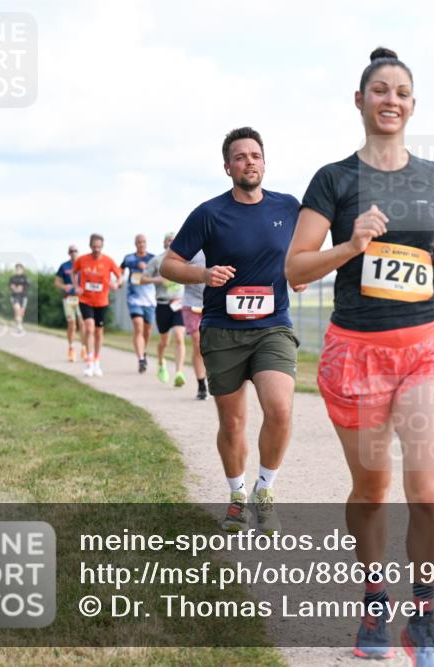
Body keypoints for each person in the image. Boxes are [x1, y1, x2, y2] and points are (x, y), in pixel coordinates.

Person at [285, 47, 434, 665]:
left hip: (427, 347)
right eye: (379, 90)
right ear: (360, 100)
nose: (390, 100)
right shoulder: (334, 180)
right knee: (372, 488)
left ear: (412, 106)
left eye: (401, 92)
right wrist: (351, 243)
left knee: (428, 488)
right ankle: (373, 600)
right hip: (358, 355)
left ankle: (421, 618)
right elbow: (295, 270)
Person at [161, 126, 306, 536]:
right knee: (233, 422)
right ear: (228, 167)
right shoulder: (209, 213)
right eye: (240, 157)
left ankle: (264, 491)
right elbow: (169, 265)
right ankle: (237, 497)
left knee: (279, 409)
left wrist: (299, 273)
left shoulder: (288, 207)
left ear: (265, 161)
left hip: (272, 326)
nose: (249, 162)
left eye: (255, 155)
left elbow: (302, 252)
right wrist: (203, 273)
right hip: (223, 329)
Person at [72, 234, 122, 377]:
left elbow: (119, 276)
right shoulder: (82, 260)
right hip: (85, 300)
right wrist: (76, 286)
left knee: (99, 332)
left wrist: (116, 284)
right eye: (94, 247)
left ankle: (96, 361)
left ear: (102, 246)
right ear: (90, 246)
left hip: (101, 301)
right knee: (89, 328)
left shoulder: (108, 261)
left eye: (99, 247)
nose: (96, 250)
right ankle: (89, 361)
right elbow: (74, 273)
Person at [142, 232, 186, 387]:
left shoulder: (184, 259)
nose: (171, 242)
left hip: (179, 304)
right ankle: (161, 362)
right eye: (168, 240)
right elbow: (142, 278)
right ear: (164, 242)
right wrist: (158, 279)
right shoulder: (156, 260)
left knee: (180, 337)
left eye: (174, 240)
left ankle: (179, 372)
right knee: (164, 341)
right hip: (162, 304)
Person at [121, 234, 156, 373]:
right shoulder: (129, 258)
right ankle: (141, 358)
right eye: (139, 242)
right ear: (135, 244)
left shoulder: (153, 259)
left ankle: (143, 350)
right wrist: (119, 279)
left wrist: (147, 269)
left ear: (146, 243)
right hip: (134, 298)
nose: (141, 244)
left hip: (149, 299)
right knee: (138, 327)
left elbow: (161, 273)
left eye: (143, 242)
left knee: (147, 330)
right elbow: (121, 268)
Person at [180, 250, 210, 400]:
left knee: (214, 344)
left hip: (212, 303)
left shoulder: (218, 245)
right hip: (192, 304)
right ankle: (201, 385)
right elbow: (176, 271)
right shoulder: (190, 250)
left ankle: (214, 378)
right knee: (198, 344)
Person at [54, 245, 87, 362]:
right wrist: (64, 286)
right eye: (71, 251)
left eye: (75, 251)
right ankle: (71, 348)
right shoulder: (64, 266)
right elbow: (56, 282)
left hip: (81, 298)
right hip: (68, 298)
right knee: (72, 324)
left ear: (78, 252)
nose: (73, 253)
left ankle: (84, 348)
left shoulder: (83, 265)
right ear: (68, 253)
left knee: (82, 323)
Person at [8, 264, 30, 334]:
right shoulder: (12, 278)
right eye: (17, 269)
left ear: (22, 270)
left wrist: (22, 287)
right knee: (17, 310)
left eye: (20, 269)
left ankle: (17, 325)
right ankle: (19, 327)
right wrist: (14, 288)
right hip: (15, 296)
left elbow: (28, 285)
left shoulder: (25, 278)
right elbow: (10, 285)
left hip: (23, 297)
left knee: (21, 313)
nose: (18, 270)